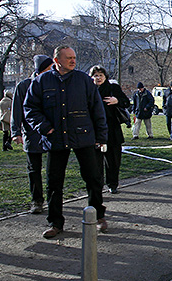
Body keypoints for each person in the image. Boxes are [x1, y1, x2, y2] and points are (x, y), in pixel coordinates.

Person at [24, 45, 108, 238]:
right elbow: (30, 108)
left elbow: (97, 109)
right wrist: (45, 128)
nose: (73, 60)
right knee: (54, 182)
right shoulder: (41, 81)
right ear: (57, 60)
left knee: (93, 179)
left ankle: (98, 216)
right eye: (68, 57)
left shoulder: (84, 81)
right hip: (56, 138)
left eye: (74, 57)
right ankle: (55, 222)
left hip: (83, 136)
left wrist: (101, 137)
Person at [11, 54, 53, 213]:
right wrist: (16, 132)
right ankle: (37, 200)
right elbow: (17, 110)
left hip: (50, 132)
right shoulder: (23, 86)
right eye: (48, 68)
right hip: (31, 132)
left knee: (52, 169)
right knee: (34, 168)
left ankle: (52, 198)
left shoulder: (53, 83)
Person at [89, 65, 130, 194]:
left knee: (113, 160)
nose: (98, 78)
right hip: (94, 130)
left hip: (112, 129)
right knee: (96, 162)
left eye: (100, 75)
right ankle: (98, 185)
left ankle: (113, 183)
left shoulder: (113, 88)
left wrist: (116, 100)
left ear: (105, 76)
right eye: (95, 75)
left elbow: (126, 102)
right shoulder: (89, 89)